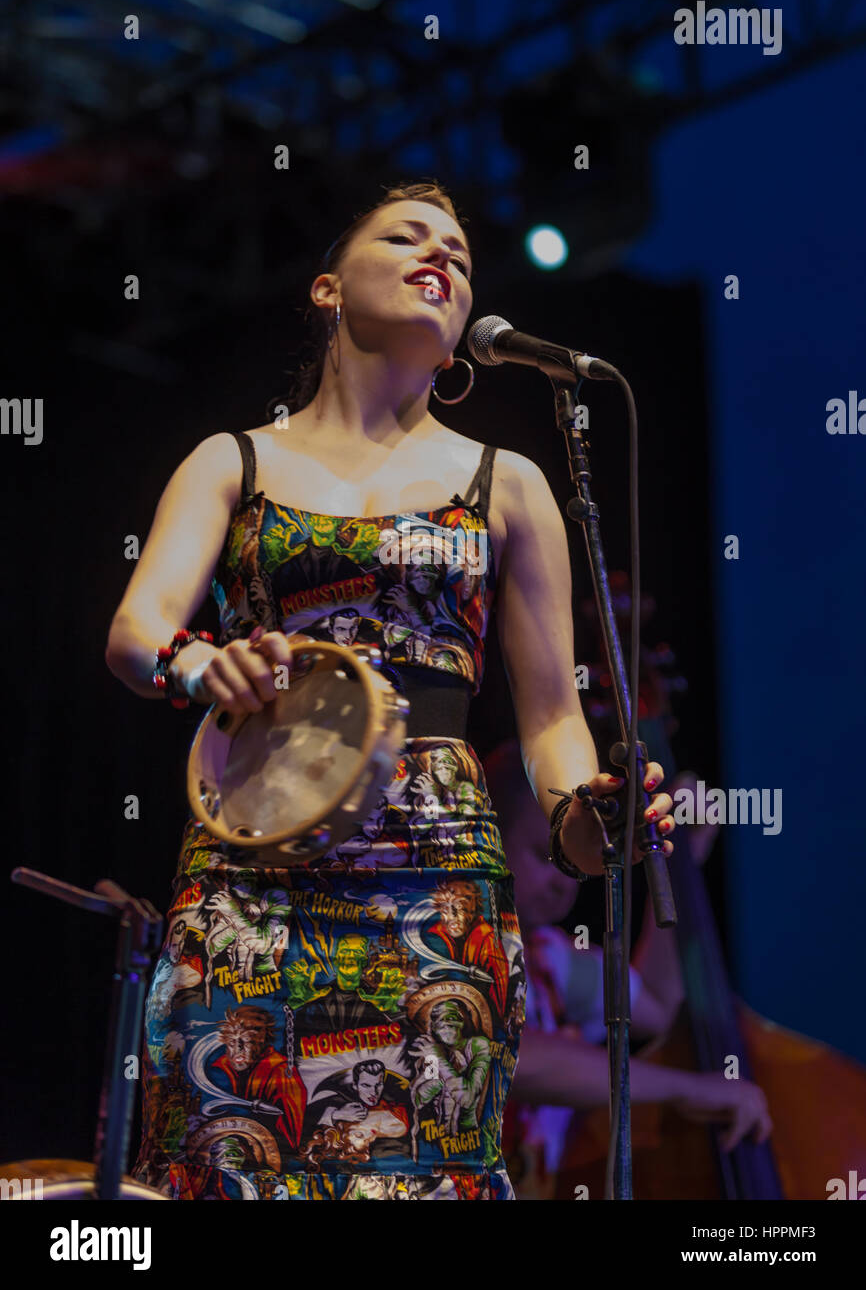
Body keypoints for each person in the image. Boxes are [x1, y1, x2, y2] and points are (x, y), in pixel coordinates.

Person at [104, 180, 676, 1201]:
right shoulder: (231, 461)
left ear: (461, 334)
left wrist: (596, 820)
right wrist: (202, 664)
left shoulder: (506, 483)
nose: (441, 257)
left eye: (458, 252)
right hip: (254, 870)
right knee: (225, 1156)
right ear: (329, 287)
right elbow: (135, 637)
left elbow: (552, 722)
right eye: (407, 236)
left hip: (436, 882)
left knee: (421, 1164)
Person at [483, 741, 772, 1200]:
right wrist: (685, 1089)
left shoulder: (548, 959)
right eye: (544, 857)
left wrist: (681, 859)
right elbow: (513, 1056)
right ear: (488, 841)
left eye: (572, 866)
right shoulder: (457, 952)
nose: (563, 884)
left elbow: (655, 1004)